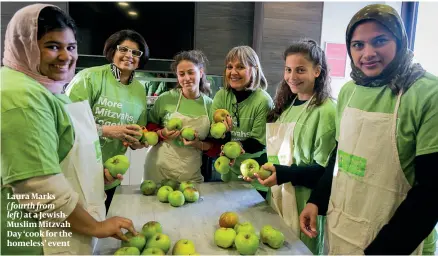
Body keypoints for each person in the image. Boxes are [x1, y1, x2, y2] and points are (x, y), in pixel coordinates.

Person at [299, 4, 438, 255]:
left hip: (397, 241)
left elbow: (431, 193)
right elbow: (340, 156)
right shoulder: (349, 91)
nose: (368, 53)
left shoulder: (427, 93)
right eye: (358, 45)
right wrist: (316, 201)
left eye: (380, 41)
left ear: (399, 40)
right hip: (343, 228)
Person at [1, 4, 136, 255]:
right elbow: (37, 186)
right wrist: (97, 226)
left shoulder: (48, 87)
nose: (65, 56)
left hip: (68, 224)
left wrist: (93, 175)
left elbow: (62, 149)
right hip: (37, 237)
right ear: (25, 46)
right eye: (53, 46)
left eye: (70, 47)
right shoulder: (20, 95)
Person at [244, 39, 336, 255]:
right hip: (278, 196)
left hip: (305, 203)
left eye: (300, 70)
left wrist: (283, 174)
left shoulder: (326, 111)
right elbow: (277, 155)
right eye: (288, 70)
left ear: (317, 71)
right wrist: (258, 166)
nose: (292, 77)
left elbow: (325, 172)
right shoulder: (287, 106)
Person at [66, 29, 149, 212]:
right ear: (113, 51)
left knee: (102, 231)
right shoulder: (89, 78)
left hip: (110, 175)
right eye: (123, 49)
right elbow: (67, 124)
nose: (129, 55)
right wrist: (108, 130)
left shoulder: (140, 90)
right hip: (79, 171)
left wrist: (137, 141)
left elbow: (137, 129)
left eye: (136, 52)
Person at [143, 50, 215, 183]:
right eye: (181, 74)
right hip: (158, 169)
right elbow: (147, 129)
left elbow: (214, 146)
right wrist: (162, 133)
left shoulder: (210, 106)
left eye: (191, 72)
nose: (186, 78)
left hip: (190, 173)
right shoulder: (166, 98)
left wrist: (198, 144)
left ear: (201, 72)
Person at [211, 46, 274, 197]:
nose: (233, 72)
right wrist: (224, 135)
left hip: (256, 172)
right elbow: (214, 134)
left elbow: (259, 142)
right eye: (229, 67)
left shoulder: (263, 101)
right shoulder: (221, 96)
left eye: (240, 67)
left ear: (254, 69)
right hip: (229, 171)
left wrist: (237, 146)